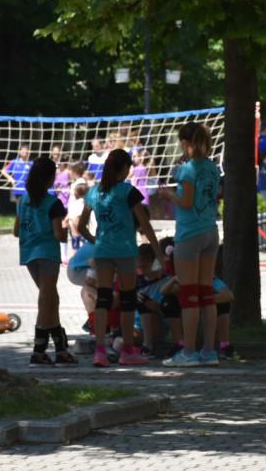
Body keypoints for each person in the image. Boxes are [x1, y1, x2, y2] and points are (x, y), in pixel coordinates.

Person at [80, 149, 164, 367]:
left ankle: (100, 350)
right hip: (125, 251)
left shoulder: (94, 192)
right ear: (125, 168)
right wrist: (158, 251)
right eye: (129, 168)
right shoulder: (128, 192)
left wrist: (96, 240)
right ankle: (127, 350)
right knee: (127, 300)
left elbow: (81, 226)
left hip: (103, 251)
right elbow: (145, 224)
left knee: (103, 299)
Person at [160, 122, 222, 366]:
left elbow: (185, 202)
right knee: (207, 293)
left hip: (189, 234)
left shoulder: (186, 170)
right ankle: (209, 351)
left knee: (188, 295)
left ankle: (188, 352)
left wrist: (168, 195)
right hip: (210, 230)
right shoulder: (213, 168)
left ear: (186, 143)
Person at [13, 157, 76, 366]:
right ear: (50, 178)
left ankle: (60, 349)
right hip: (48, 253)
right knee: (45, 300)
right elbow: (58, 234)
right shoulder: (53, 203)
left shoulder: (22, 201)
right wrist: (66, 234)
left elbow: (15, 230)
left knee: (51, 299)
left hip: (29, 254)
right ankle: (38, 351)